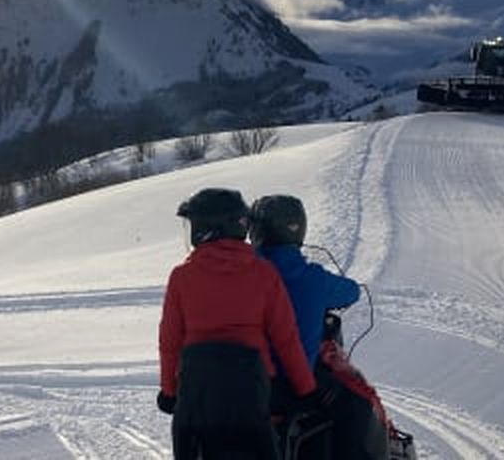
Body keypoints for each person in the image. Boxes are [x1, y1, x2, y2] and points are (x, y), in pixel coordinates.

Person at [158, 188, 320, 460]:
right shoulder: (264, 273)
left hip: (198, 390)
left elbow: (170, 342)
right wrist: (306, 389)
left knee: (186, 441)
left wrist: (169, 391)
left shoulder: (182, 277)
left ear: (205, 229)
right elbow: (285, 338)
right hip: (252, 390)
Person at [250, 195, 390, 460]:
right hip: (300, 381)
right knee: (358, 400)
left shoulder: (243, 273)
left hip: (250, 380)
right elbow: (351, 292)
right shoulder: (312, 277)